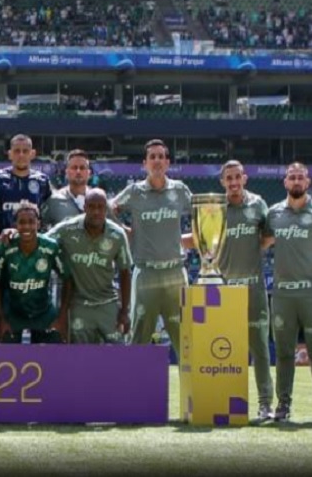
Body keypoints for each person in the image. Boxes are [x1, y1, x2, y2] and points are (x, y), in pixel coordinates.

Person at [265, 162, 312, 423]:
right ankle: (283, 405)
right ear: (285, 182)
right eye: (292, 177)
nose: (296, 181)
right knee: (284, 352)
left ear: (307, 182)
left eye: (300, 177)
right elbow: (263, 242)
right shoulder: (274, 213)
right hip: (282, 294)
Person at [111, 140, 193, 357]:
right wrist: (127, 233)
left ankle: (190, 381)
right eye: (152, 157)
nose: (157, 161)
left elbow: (202, 216)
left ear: (167, 163)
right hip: (146, 273)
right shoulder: (134, 192)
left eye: (161, 157)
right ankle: (131, 379)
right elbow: (109, 209)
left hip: (176, 273)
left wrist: (189, 240)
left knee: (186, 340)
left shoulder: (180, 190)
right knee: (139, 337)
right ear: (144, 163)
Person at [213, 161, 275, 422]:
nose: (233, 182)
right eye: (229, 178)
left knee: (259, 348)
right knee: (223, 348)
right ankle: (223, 403)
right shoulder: (215, 208)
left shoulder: (258, 204)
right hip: (224, 288)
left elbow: (268, 237)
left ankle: (265, 404)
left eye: (237, 177)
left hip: (254, 288)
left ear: (245, 178)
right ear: (222, 182)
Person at [50, 190, 131, 344]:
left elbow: (125, 272)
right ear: (84, 207)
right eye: (91, 207)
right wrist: (14, 232)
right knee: (80, 354)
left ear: (106, 209)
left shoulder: (117, 235)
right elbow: (40, 241)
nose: (96, 212)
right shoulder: (67, 229)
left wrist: (124, 311)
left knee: (118, 353)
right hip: (79, 305)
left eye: (100, 207)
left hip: (108, 304)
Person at [0, 202, 66, 343]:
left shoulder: (50, 247)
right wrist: (1, 318)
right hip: (14, 312)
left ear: (38, 224)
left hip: (43, 311)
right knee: (6, 346)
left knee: (55, 341)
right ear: (15, 225)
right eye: (22, 222)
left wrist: (61, 316)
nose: (26, 226)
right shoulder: (6, 246)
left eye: (31, 222)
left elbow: (67, 279)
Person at [0, 134, 51, 234]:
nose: (21, 155)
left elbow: (48, 214)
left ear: (32, 154)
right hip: (3, 240)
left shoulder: (42, 181)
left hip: (32, 240)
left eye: (25, 151)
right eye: (17, 151)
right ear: (10, 154)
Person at [42, 150, 93, 229]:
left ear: (89, 173)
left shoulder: (99, 199)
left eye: (82, 168)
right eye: (74, 168)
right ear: (67, 172)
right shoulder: (54, 201)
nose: (78, 171)